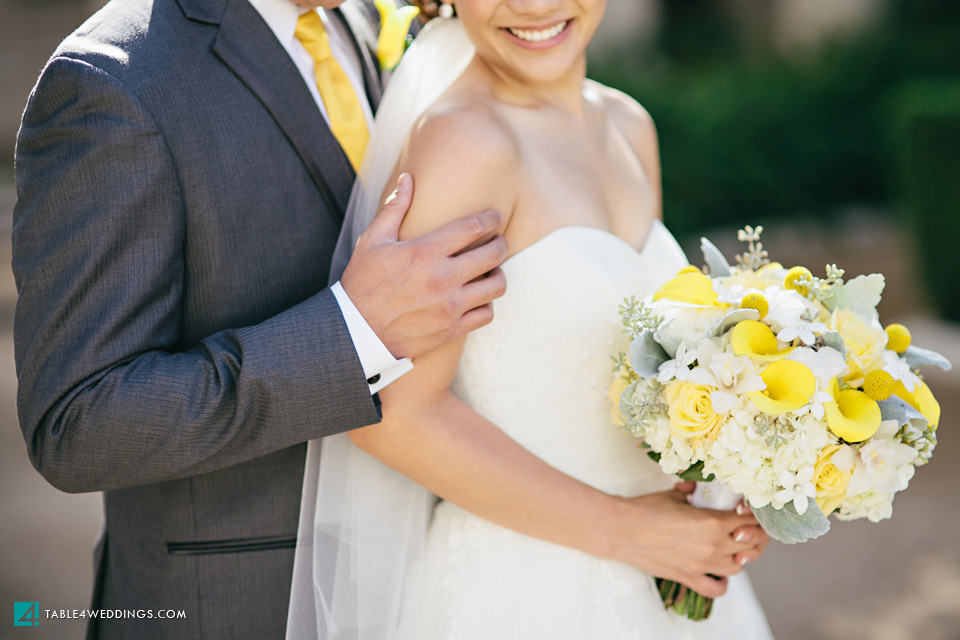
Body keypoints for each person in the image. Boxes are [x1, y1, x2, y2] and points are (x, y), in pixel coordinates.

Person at [11, 0, 509, 637]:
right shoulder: (112, 79)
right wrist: (353, 334)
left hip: (411, 584)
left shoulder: (355, 23)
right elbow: (77, 425)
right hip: (230, 607)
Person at [287, 1, 774, 638]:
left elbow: (650, 364)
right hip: (525, 584)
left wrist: (743, 464)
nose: (534, 6)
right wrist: (634, 534)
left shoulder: (630, 126)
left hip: (675, 567)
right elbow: (394, 418)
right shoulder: (465, 141)